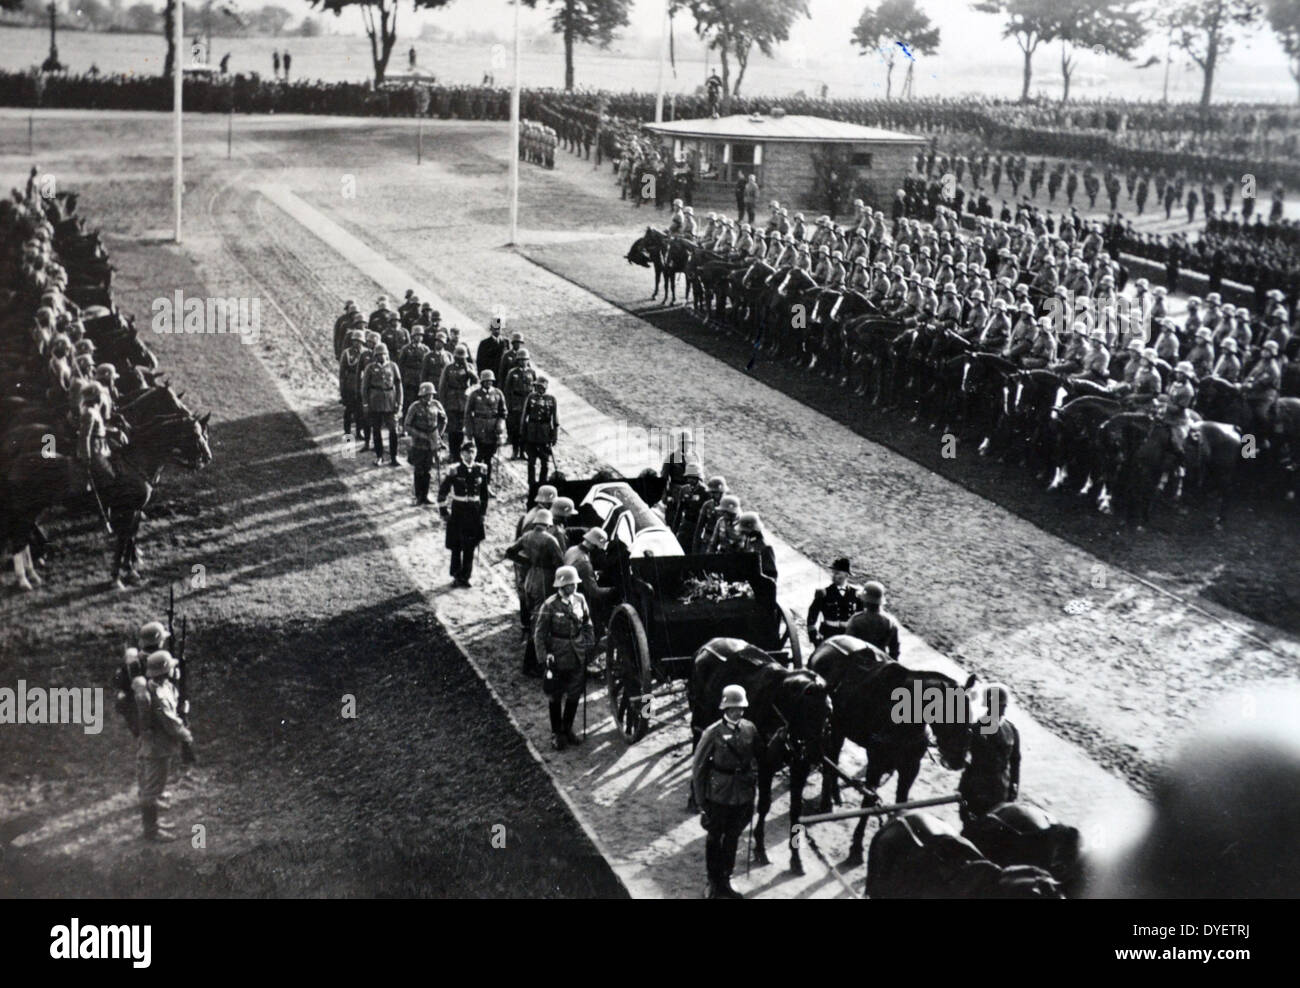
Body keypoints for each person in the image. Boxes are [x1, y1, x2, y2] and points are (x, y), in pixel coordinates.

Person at [692, 684, 758, 899]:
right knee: (714, 837)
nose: (737, 711)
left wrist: (752, 790)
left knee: (733, 837)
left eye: (740, 708)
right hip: (718, 794)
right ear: (724, 708)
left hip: (742, 794)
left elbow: (756, 760)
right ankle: (712, 881)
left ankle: (727, 877)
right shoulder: (712, 733)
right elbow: (699, 768)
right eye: (732, 708)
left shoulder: (750, 729)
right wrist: (701, 801)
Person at [132, 649, 194, 841]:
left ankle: (153, 826)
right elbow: (170, 722)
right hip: (157, 749)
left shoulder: (156, 686)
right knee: (152, 790)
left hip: (151, 745)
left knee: (149, 787)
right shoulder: (157, 694)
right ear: (165, 671)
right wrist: (186, 735)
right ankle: (151, 831)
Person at [535, 565, 596, 751]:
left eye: (575, 583)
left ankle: (568, 729)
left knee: (575, 693)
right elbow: (539, 634)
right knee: (555, 695)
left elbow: (587, 623)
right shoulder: (550, 605)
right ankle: (557, 733)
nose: (575, 587)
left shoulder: (580, 599)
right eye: (571, 584)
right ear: (562, 586)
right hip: (557, 656)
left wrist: (587, 643)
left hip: (577, 654)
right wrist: (544, 657)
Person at [507, 509, 566, 676]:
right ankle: (532, 665)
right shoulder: (550, 540)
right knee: (540, 624)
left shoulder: (527, 536)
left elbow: (510, 552)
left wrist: (527, 561)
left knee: (534, 617)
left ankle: (532, 663)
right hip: (544, 582)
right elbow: (560, 563)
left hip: (530, 578)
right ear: (548, 524)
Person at [958, 684, 1020, 826]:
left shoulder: (1009, 729)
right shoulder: (977, 728)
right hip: (981, 788)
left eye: (1004, 706)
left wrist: (1014, 786)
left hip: (994, 789)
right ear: (990, 705)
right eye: (1000, 706)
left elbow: (1016, 760)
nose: (1003, 709)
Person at [437, 440, 488, 587]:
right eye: (467, 452)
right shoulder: (455, 470)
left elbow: (484, 495)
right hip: (459, 511)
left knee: (470, 546)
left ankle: (465, 576)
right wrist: (444, 512)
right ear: (461, 454)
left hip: (474, 512)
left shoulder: (481, 470)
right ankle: (455, 575)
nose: (470, 456)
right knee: (456, 545)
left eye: (472, 452)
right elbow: (442, 492)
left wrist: (483, 513)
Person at [465, 369, 507, 510]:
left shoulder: (498, 393)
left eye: (490, 381)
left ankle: (486, 485)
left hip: (492, 432)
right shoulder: (474, 395)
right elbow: (468, 414)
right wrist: (469, 432)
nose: (488, 383)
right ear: (481, 382)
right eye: (486, 381)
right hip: (479, 431)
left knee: (488, 460)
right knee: (477, 459)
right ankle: (474, 486)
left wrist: (500, 426)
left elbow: (503, 412)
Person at [403, 382, 446, 505]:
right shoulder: (415, 407)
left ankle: (425, 495)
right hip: (418, 443)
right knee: (418, 470)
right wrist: (421, 435)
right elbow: (407, 426)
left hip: (432, 442)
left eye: (431, 395)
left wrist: (439, 434)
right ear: (421, 395)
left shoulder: (436, 405)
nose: (430, 397)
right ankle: (418, 496)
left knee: (427, 470)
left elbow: (444, 419)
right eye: (427, 395)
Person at [360, 344, 403, 467]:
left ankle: (394, 456)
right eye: (378, 354)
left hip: (390, 401)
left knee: (393, 430)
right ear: (375, 356)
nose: (381, 356)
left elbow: (399, 385)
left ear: (387, 354)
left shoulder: (393, 366)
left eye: (383, 354)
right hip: (375, 401)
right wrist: (366, 403)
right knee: (376, 430)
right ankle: (379, 456)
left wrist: (399, 403)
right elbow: (364, 387)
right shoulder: (370, 368)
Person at [564, 527, 613, 634]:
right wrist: (612, 590)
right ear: (593, 545)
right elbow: (594, 591)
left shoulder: (572, 550)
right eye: (597, 547)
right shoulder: (585, 562)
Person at [806, 557, 863, 644]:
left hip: (848, 636)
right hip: (827, 635)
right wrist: (813, 633)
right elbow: (812, 614)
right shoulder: (824, 593)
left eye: (837, 573)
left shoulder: (855, 594)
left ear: (846, 575)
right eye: (833, 573)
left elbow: (861, 616)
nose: (834, 576)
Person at [520, 374, 558, 498]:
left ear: (545, 388)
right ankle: (531, 485)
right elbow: (524, 415)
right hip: (531, 432)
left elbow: (555, 419)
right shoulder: (530, 397)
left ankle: (542, 486)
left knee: (545, 462)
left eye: (541, 387)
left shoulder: (551, 399)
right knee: (531, 462)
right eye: (537, 387)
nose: (538, 389)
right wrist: (523, 433)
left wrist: (554, 436)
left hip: (544, 433)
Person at [437, 343, 478, 457]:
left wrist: (469, 374)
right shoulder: (449, 368)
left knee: (461, 428)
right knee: (452, 429)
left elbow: (476, 383)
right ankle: (452, 452)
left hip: (464, 401)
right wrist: (443, 403)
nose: (460, 360)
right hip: (451, 401)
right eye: (458, 357)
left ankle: (459, 452)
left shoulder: (469, 367)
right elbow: (442, 386)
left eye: (462, 358)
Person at [845, 581, 901, 660]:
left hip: (859, 664)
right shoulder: (890, 622)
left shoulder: (856, 620)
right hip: (880, 665)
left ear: (865, 601)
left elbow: (847, 645)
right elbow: (895, 651)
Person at [503, 348, 536, 460]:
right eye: (521, 360)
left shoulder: (531, 372)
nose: (523, 362)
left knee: (525, 429)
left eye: (525, 360)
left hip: (527, 403)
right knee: (515, 429)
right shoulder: (512, 373)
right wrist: (508, 405)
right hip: (516, 404)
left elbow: (534, 389)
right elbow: (507, 390)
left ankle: (523, 451)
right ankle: (515, 450)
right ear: (518, 360)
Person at [338, 329, 367, 440]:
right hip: (349, 384)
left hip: (361, 385)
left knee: (360, 411)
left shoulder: (366, 352)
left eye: (359, 341)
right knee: (349, 410)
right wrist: (342, 389)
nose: (357, 343)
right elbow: (342, 372)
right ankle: (347, 432)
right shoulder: (347, 353)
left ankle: (359, 431)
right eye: (355, 341)